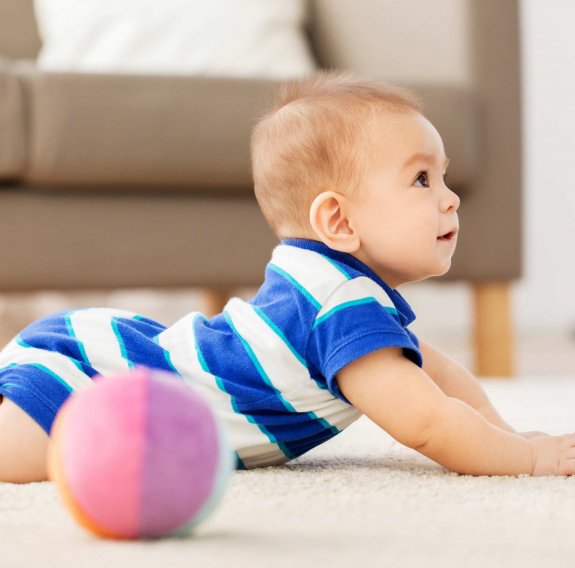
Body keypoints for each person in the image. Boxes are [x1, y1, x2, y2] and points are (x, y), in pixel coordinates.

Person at [0, 71, 573, 484]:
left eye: (443, 178)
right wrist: (524, 462)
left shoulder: (336, 291)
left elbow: (440, 374)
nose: (449, 200)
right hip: (103, 382)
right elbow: (428, 421)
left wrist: (507, 435)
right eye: (421, 180)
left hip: (119, 355)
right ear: (338, 220)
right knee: (22, 463)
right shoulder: (339, 303)